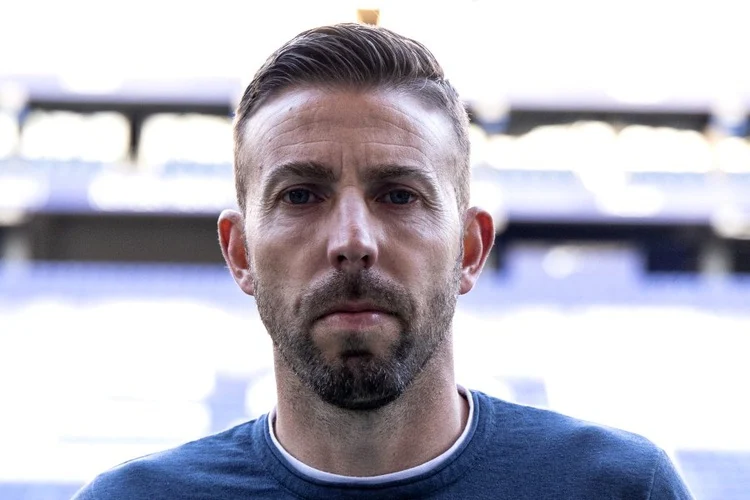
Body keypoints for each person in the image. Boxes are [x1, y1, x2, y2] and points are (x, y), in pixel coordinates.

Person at [72, 23, 693, 499]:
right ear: (240, 253)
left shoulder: (616, 487)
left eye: (398, 195)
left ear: (470, 249)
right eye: (300, 196)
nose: (352, 240)